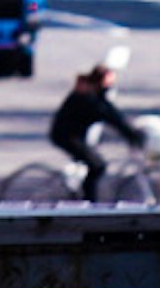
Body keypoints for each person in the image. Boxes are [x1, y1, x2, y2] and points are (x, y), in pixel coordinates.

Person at [48, 50, 147, 202]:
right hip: (66, 136)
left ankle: (80, 193)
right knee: (97, 166)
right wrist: (131, 135)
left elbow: (113, 113)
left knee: (91, 162)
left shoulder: (91, 93)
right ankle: (89, 202)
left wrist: (130, 132)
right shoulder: (89, 99)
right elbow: (112, 117)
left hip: (72, 134)